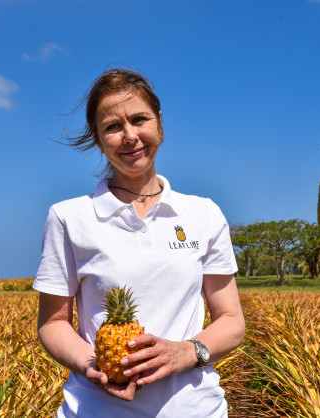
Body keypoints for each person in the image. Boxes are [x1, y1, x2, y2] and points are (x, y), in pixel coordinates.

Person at [34, 68, 245, 417]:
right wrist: (92, 365)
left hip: (197, 410)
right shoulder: (68, 217)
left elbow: (232, 319)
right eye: (112, 127)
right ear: (98, 138)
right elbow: (53, 323)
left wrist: (185, 352)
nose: (130, 136)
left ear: (159, 123)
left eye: (139, 119)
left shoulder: (203, 213)